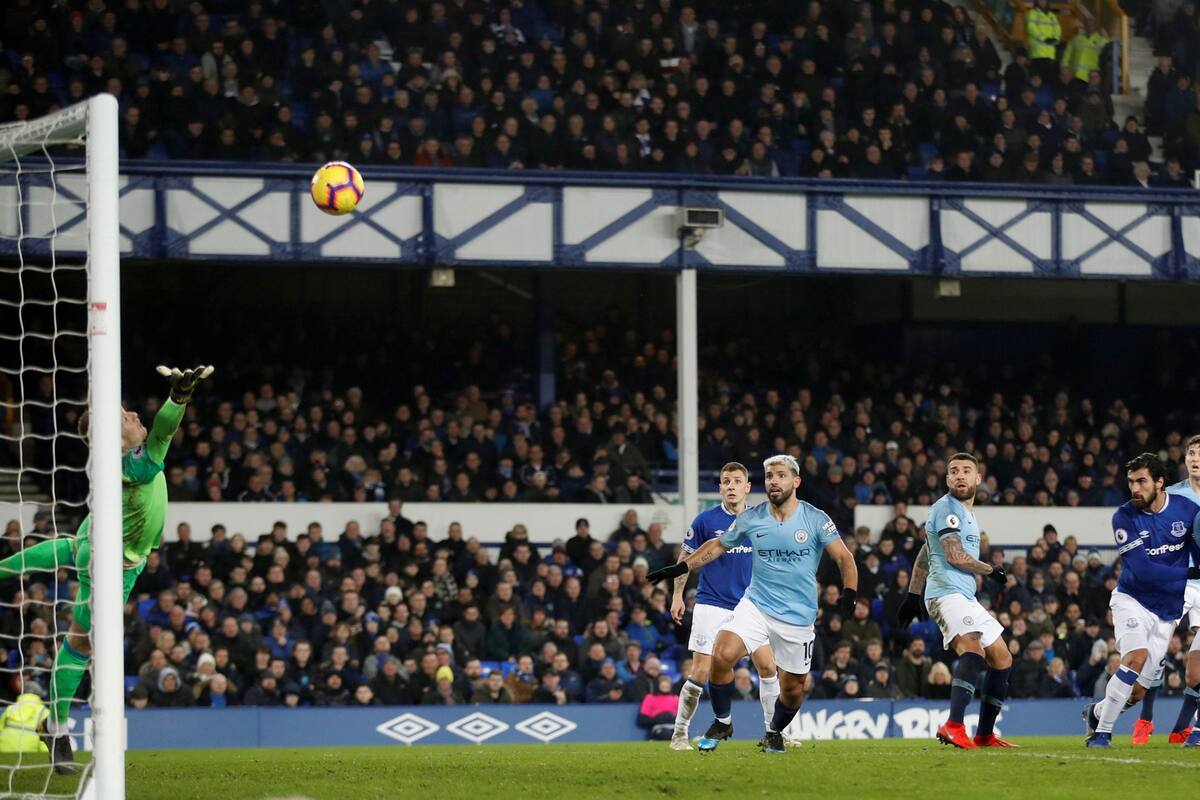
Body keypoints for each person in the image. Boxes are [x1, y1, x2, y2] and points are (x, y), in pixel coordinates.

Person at [0, 365, 214, 773]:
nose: (135, 417)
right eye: (126, 418)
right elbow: (166, 430)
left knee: (50, 554)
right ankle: (57, 727)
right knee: (81, 645)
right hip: (109, 566)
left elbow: (141, 428)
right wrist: (178, 398)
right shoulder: (134, 463)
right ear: (113, 438)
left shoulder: (117, 460)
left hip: (93, 537)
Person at [648, 454, 858, 754]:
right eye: (769, 476)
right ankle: (707, 725)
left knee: (789, 684)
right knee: (715, 659)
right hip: (744, 604)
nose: (773, 481)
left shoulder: (815, 518)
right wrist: (680, 573)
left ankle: (775, 731)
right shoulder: (737, 518)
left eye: (780, 475)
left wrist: (850, 592)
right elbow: (715, 546)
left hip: (795, 615)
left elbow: (844, 557)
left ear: (795, 481)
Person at [896, 452, 1015, 749]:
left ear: (978, 478)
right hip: (946, 593)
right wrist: (991, 570)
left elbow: (926, 552)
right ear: (947, 479)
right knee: (973, 651)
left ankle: (985, 734)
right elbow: (953, 555)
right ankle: (953, 725)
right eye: (954, 471)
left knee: (1001, 658)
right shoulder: (946, 508)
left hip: (964, 596)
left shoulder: (966, 512)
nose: (960, 475)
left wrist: (912, 594)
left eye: (966, 471)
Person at [1082, 453, 1200, 748]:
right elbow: (1143, 570)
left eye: (1142, 481)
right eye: (1131, 482)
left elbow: (1197, 552)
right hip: (1132, 599)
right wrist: (1191, 573)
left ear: (1160, 482)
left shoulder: (1186, 510)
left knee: (1136, 693)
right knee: (1134, 657)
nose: (1135, 488)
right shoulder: (1123, 516)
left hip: (1167, 610)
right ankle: (1102, 735)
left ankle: (1096, 713)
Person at [668, 462, 781, 751]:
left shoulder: (762, 520)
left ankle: (775, 733)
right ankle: (679, 734)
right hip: (712, 604)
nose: (731, 486)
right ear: (719, 487)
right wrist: (677, 595)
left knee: (768, 667)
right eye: (725, 481)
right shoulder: (705, 520)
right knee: (701, 671)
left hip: (752, 607)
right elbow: (686, 560)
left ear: (747, 487)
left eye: (736, 481)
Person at [1156, 437, 1200, 746]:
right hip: (1178, 584)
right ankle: (1128, 716)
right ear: (1184, 459)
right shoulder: (1171, 496)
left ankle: (1188, 729)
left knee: (1196, 672)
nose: (1196, 458)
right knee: (1151, 652)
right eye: (1192, 453)